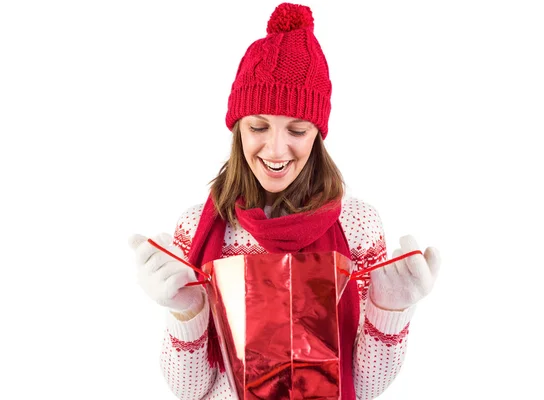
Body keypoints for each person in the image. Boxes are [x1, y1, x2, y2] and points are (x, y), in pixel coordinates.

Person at [129, 3, 440, 399]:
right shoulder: (199, 229)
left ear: (318, 134)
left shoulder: (355, 224)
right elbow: (191, 391)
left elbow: (363, 387)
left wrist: (390, 311)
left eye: (297, 129)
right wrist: (186, 313)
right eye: (259, 126)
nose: (276, 149)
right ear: (238, 127)